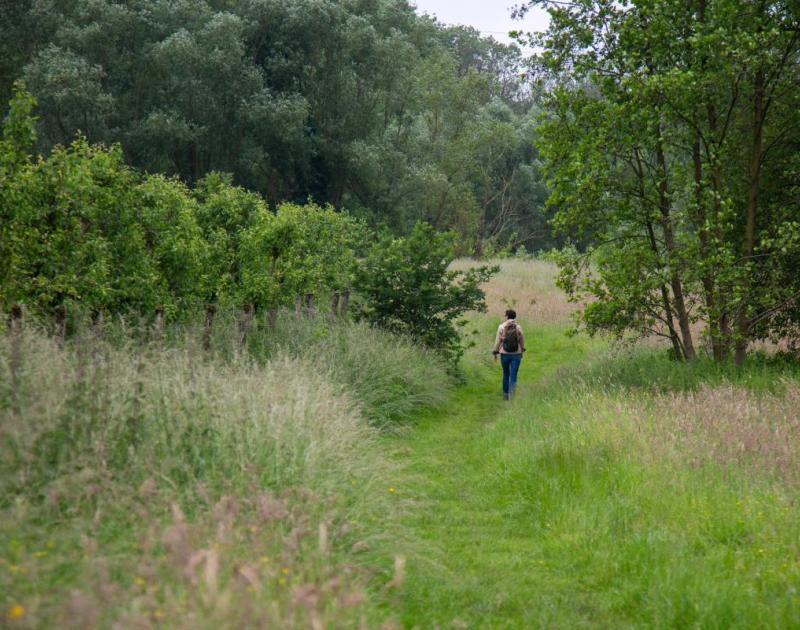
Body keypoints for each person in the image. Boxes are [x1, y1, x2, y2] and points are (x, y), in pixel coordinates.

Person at [492, 309, 525, 400]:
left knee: (506, 374)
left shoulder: (501, 327)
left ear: (506, 316)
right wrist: (522, 349)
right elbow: (522, 340)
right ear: (514, 317)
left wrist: (495, 350)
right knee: (513, 375)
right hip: (516, 354)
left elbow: (498, 340)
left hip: (504, 354)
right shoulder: (518, 327)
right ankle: (512, 396)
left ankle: (505, 395)